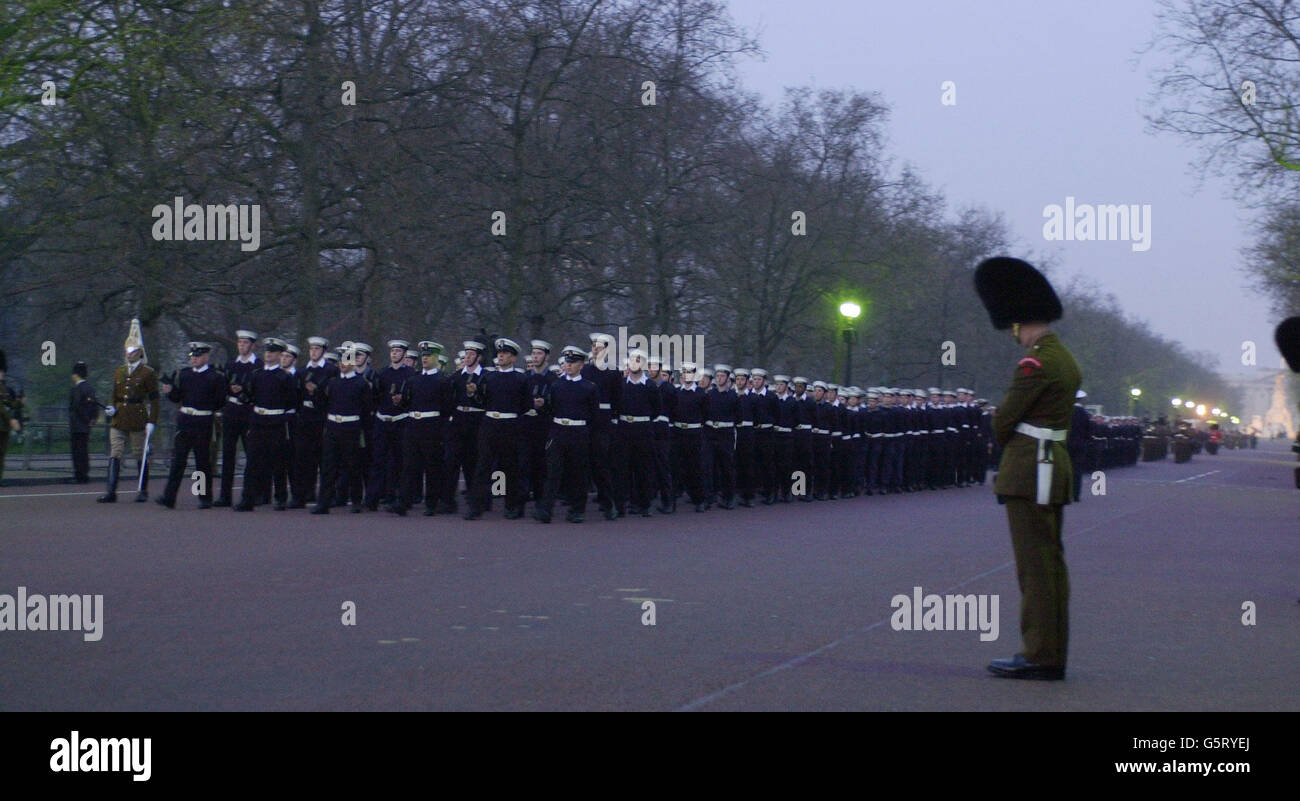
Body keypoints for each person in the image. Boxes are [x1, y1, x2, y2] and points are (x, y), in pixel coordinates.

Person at [975, 256, 1081, 681]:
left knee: (1034, 569)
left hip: (1029, 471)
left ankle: (1039, 654)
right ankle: (1049, 651)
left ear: (1018, 322)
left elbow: (1004, 421)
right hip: (1052, 466)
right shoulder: (1064, 358)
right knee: (1050, 566)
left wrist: (998, 425)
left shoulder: (1035, 363)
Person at [533, 346, 600, 524]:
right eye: (567, 362)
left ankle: (577, 510)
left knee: (578, 474)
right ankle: (545, 509)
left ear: (581, 365)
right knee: (553, 473)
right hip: (558, 432)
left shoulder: (589, 388)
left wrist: (589, 436)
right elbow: (550, 410)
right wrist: (541, 406)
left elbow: (594, 415)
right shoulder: (556, 385)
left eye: (573, 363)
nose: (568, 365)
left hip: (579, 433)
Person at [156, 342, 227, 509]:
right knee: (178, 461)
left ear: (205, 357)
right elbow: (178, 397)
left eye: (197, 356)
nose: (193, 359)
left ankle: (204, 497)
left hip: (203, 421)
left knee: (202, 462)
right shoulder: (185, 375)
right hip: (185, 420)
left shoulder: (215, 377)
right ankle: (169, 496)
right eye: (192, 356)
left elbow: (219, 401)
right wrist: (169, 392)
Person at [465, 337, 529, 520]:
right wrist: (472, 393)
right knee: (482, 466)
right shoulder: (488, 376)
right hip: (489, 424)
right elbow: (481, 401)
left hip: (510, 425)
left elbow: (525, 405)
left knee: (510, 467)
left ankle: (511, 506)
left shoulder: (521, 378)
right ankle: (476, 507)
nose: (501, 356)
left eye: (505, 354)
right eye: (499, 353)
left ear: (513, 358)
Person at [388, 341, 452, 517]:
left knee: (432, 467)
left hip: (432, 426)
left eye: (428, 356)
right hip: (413, 425)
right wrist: (399, 402)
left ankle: (432, 503)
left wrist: (441, 431)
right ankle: (404, 502)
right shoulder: (413, 380)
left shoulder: (442, 381)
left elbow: (447, 409)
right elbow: (407, 404)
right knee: (409, 466)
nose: (425, 359)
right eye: (423, 356)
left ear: (436, 358)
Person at [234, 338, 298, 511]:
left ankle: (280, 497)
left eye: (272, 352)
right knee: (252, 462)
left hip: (276, 422)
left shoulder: (285, 377)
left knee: (278, 462)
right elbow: (250, 395)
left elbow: (292, 401)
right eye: (267, 351)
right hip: (258, 421)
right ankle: (248, 498)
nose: (268, 354)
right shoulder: (257, 374)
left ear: (279, 355)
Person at [99, 323, 160, 503]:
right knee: (115, 452)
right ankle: (111, 491)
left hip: (137, 418)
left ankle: (142, 490)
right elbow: (114, 395)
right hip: (119, 418)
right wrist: (112, 407)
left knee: (139, 453)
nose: (129, 353)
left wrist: (152, 421)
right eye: (127, 349)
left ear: (139, 352)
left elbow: (154, 399)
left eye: (132, 349)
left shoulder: (148, 373)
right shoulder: (119, 371)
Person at [312, 345, 375, 514]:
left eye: (346, 360)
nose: (342, 364)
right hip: (333, 427)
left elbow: (366, 409)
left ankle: (355, 500)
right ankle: (324, 502)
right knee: (328, 467)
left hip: (351, 428)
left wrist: (363, 431)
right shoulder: (332, 382)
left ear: (353, 362)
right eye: (340, 360)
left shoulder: (361, 384)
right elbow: (323, 404)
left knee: (353, 466)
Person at [215, 330, 259, 507]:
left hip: (249, 411)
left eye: (245, 343)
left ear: (252, 345)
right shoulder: (231, 364)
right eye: (240, 343)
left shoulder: (258, 366)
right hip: (231, 410)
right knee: (227, 454)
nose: (242, 346)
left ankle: (252, 494)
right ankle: (225, 496)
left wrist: (245, 393)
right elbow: (223, 386)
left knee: (252, 454)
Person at [68, 361, 100, 483]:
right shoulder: (90, 388)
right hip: (86, 426)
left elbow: (76, 408)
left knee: (77, 452)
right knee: (84, 450)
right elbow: (94, 406)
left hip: (77, 425)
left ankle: (79, 475)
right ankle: (84, 474)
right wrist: (92, 420)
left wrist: (85, 419)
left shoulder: (77, 389)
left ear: (76, 375)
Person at [0, 349, 24, 485]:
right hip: (3, 424)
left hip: (4, 427)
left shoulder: (3, 387)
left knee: (2, 455)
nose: (2, 374)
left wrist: (19, 402)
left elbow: (9, 403)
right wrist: (11, 419)